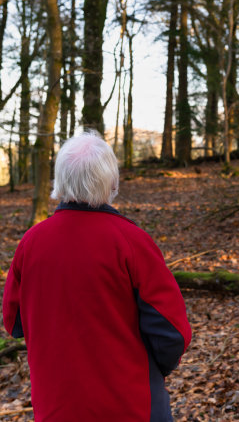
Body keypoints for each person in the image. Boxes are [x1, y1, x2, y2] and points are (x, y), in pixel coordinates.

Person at [2, 130, 191, 422]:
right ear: (112, 182)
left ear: (59, 182)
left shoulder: (30, 244)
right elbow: (172, 332)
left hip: (56, 407)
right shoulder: (132, 242)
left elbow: (14, 323)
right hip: (131, 406)